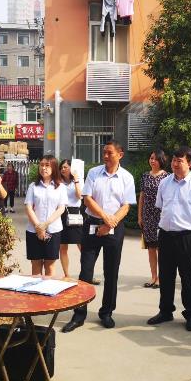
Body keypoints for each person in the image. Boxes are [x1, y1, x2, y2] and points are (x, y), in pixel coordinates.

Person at [62, 141, 136, 332]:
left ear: (120, 154)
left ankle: (107, 312)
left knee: (111, 272)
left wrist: (110, 223)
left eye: (109, 153)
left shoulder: (126, 177)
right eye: (104, 152)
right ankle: (79, 315)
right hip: (92, 225)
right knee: (85, 272)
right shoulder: (94, 173)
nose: (105, 156)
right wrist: (104, 218)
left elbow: (126, 205)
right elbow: (87, 199)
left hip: (115, 227)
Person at [147, 146, 191, 331]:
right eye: (174, 160)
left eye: (180, 161)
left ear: (189, 163)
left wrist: (185, 222)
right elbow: (161, 206)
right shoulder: (164, 183)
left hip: (186, 237)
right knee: (166, 275)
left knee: (187, 276)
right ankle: (165, 311)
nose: (175, 164)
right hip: (166, 235)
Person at [24, 156, 67, 276]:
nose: (43, 168)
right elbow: (28, 207)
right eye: (41, 165)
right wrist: (38, 227)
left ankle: (48, 288)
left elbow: (61, 208)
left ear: (54, 167)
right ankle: (35, 288)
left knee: (50, 265)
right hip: (33, 230)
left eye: (47, 165)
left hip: (53, 230)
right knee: (36, 265)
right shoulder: (33, 186)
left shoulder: (61, 187)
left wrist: (45, 225)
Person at [138, 150, 169, 288]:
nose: (152, 161)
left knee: (161, 249)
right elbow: (142, 196)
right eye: (151, 158)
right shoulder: (145, 176)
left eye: (155, 159)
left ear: (161, 160)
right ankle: (153, 276)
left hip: (162, 216)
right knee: (151, 248)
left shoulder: (167, 177)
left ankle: (161, 278)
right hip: (148, 216)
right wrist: (140, 216)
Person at [59, 159, 84, 278]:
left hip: (75, 213)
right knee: (63, 246)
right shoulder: (58, 182)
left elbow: (79, 196)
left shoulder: (79, 180)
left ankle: (86, 273)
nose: (63, 169)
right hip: (61, 213)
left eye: (65, 167)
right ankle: (67, 275)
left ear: (71, 168)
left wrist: (76, 180)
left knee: (82, 245)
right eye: (61, 167)